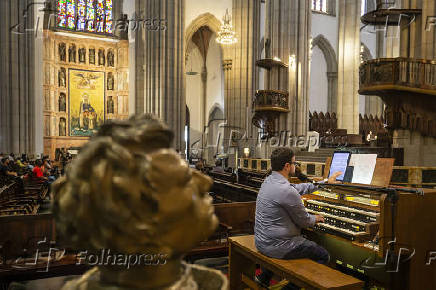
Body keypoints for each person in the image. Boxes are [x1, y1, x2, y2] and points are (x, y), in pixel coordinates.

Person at [254, 147, 341, 289]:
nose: (296, 166)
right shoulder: (286, 190)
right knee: (323, 255)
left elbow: (297, 188)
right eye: (295, 163)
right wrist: (316, 218)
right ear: (287, 166)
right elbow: (305, 221)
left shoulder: (269, 181)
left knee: (304, 240)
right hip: (278, 246)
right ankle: (291, 288)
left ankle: (263, 277)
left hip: (262, 240)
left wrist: (326, 182)